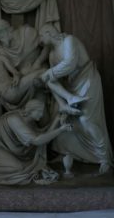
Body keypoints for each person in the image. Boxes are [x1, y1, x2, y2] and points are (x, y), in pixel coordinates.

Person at [39, 23, 113, 173]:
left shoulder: (69, 40)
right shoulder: (52, 54)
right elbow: (55, 82)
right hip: (72, 87)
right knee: (66, 122)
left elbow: (70, 64)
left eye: (41, 35)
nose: (40, 40)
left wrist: (49, 73)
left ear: (48, 33)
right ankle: (69, 151)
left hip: (87, 80)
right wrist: (61, 103)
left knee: (87, 120)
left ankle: (104, 159)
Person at [0, 99, 72, 185]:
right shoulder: (15, 120)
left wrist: (57, 120)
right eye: (40, 112)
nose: (41, 115)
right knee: (18, 169)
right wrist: (61, 130)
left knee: (21, 167)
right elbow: (37, 141)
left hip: (4, 149)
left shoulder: (29, 120)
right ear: (32, 110)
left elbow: (42, 136)